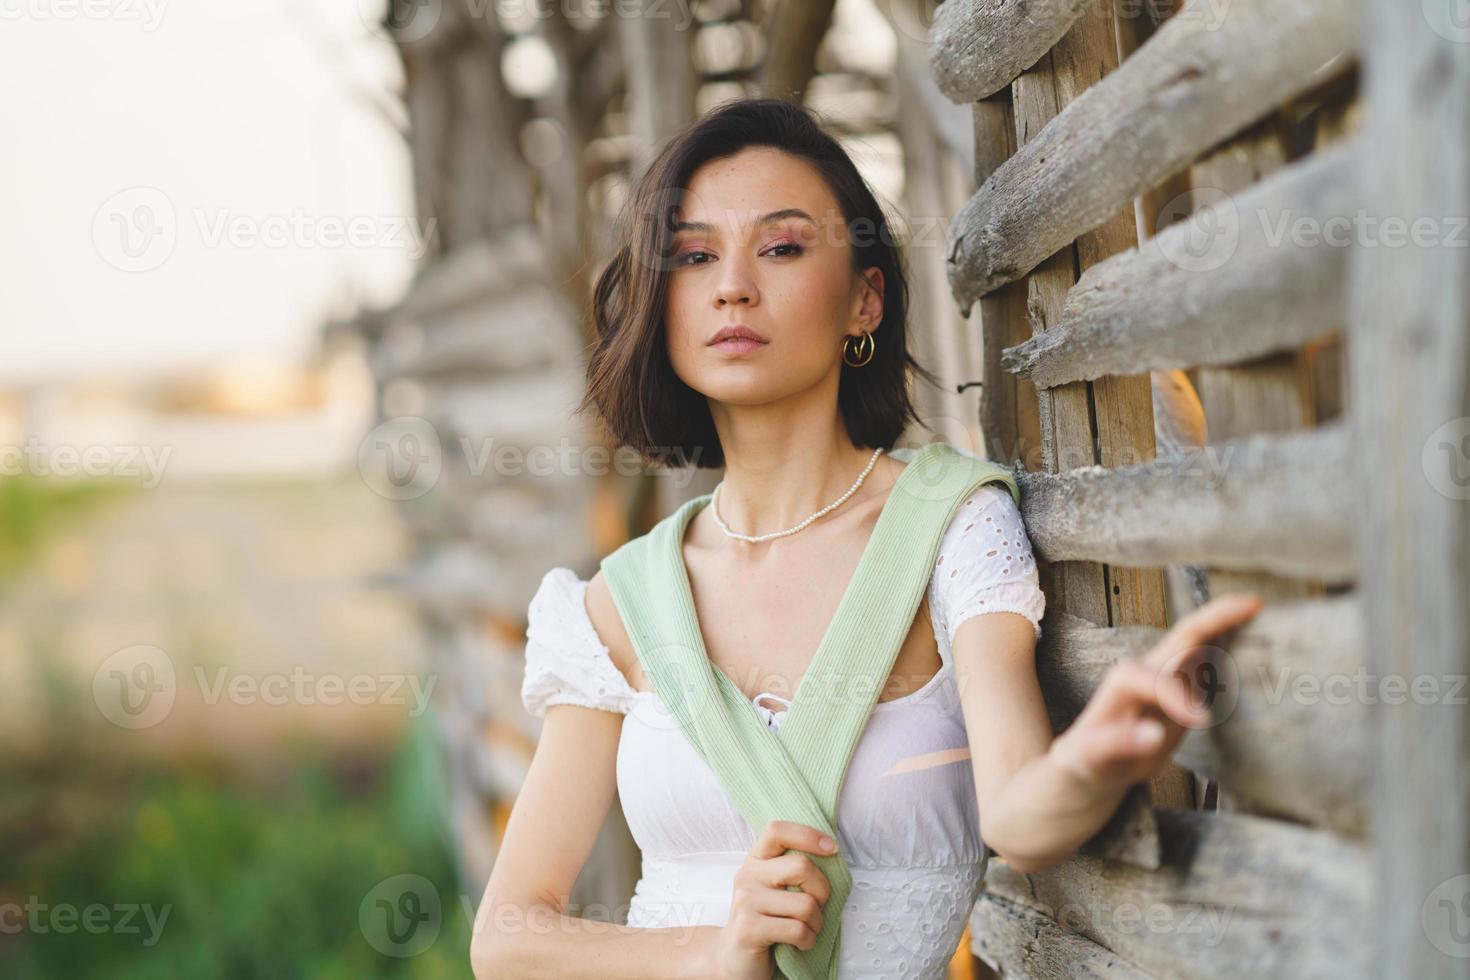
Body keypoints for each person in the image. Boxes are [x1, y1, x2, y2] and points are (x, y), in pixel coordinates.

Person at [469, 97, 1262, 980]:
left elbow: (1019, 817)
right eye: (694, 256)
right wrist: (715, 952)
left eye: (781, 246)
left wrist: (1099, 755)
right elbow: (507, 937)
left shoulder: (948, 529)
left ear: (864, 300)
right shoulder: (625, 599)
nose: (732, 283)